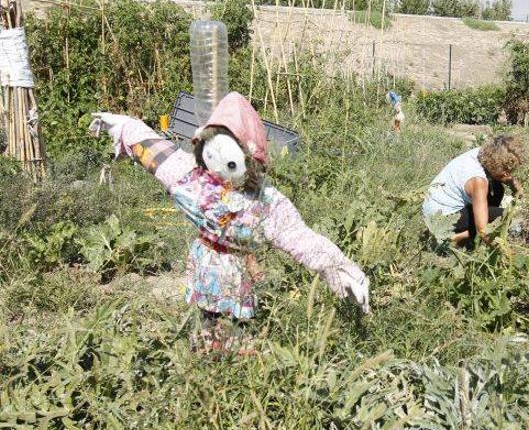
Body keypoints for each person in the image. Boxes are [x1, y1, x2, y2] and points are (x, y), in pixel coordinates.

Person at [89, 92, 370, 355]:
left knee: (238, 334)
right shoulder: (194, 179)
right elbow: (156, 150)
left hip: (236, 276)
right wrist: (123, 125)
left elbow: (301, 238)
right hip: (204, 270)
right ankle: (206, 373)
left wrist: (342, 269)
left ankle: (234, 382)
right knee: (204, 327)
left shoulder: (265, 202)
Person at [422, 135, 525, 248]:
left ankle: (470, 226)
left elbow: (502, 176)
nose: (508, 174)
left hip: (431, 206)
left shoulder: (482, 154)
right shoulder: (478, 182)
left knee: (497, 188)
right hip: (440, 217)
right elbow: (483, 231)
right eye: (507, 170)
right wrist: (504, 253)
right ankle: (452, 239)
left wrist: (513, 183)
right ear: (498, 165)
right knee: (502, 216)